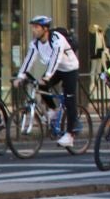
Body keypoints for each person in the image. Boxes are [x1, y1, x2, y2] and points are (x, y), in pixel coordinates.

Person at [17, 16, 80, 150]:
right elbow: (29, 59)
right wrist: (20, 76)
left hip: (70, 68)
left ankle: (70, 135)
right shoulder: (35, 43)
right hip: (56, 70)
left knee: (69, 99)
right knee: (41, 86)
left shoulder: (57, 38)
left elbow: (55, 58)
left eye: (36, 27)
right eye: (33, 27)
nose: (33, 30)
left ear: (45, 29)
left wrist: (47, 75)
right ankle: (54, 109)